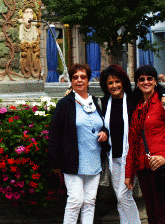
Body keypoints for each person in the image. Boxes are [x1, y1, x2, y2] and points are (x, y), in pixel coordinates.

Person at [99, 65, 165, 224]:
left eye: (117, 81)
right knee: (121, 198)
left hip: (132, 156)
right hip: (114, 158)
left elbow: (152, 87)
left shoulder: (133, 98)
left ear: (123, 82)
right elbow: (103, 124)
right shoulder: (104, 102)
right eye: (110, 83)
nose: (114, 86)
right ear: (106, 85)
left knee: (124, 196)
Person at [125, 65, 165, 224]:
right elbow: (132, 143)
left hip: (159, 166)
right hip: (143, 167)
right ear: (137, 83)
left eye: (149, 79)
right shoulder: (137, 106)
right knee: (151, 213)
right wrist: (129, 173)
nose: (146, 82)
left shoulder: (164, 104)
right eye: (141, 79)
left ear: (155, 82)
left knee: (161, 214)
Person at [49, 63, 110, 224]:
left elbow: (104, 124)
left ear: (88, 80)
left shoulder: (97, 102)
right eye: (75, 77)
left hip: (94, 160)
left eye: (83, 77)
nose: (79, 80)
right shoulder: (64, 104)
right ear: (71, 81)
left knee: (90, 201)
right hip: (72, 160)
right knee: (75, 200)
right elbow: (55, 133)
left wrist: (105, 133)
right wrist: (55, 161)